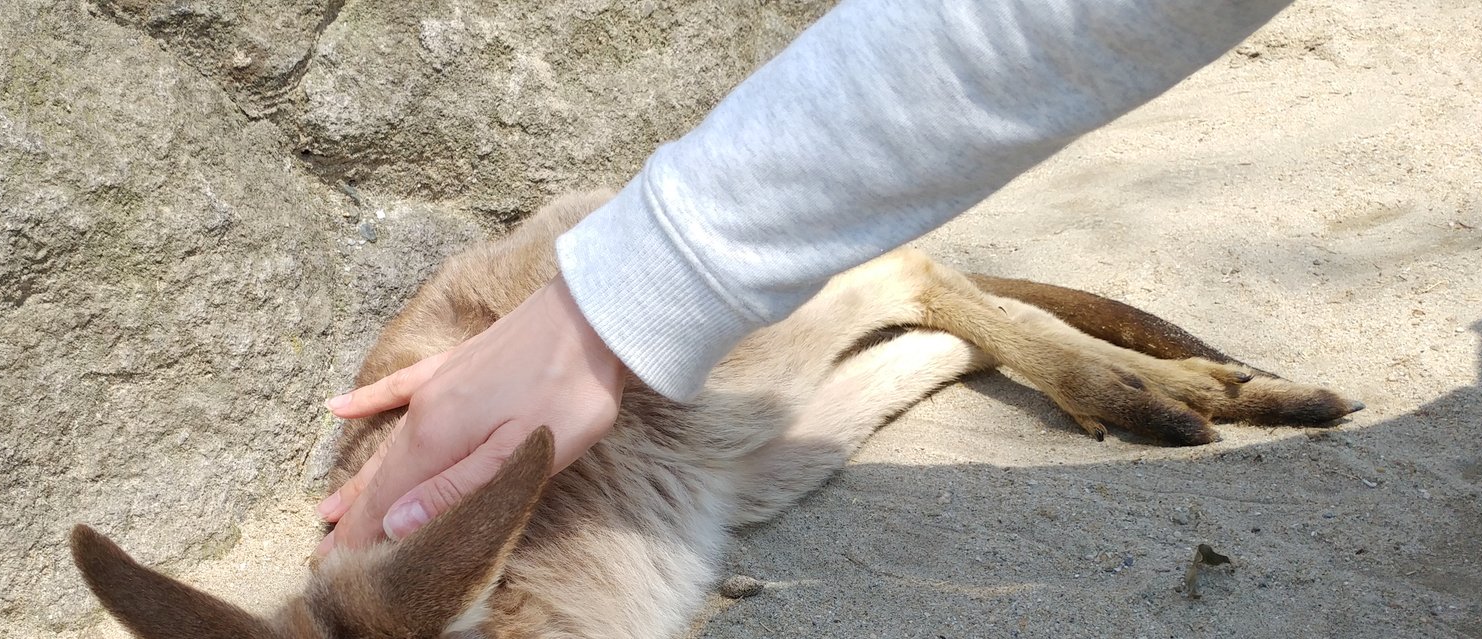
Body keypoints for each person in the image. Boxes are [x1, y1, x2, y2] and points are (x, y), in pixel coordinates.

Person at [315, 0, 1293, 551]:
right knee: (746, 483)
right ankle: (958, 337)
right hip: (624, 380)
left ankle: (966, 315)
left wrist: (621, 293)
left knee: (734, 409)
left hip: (635, 342)